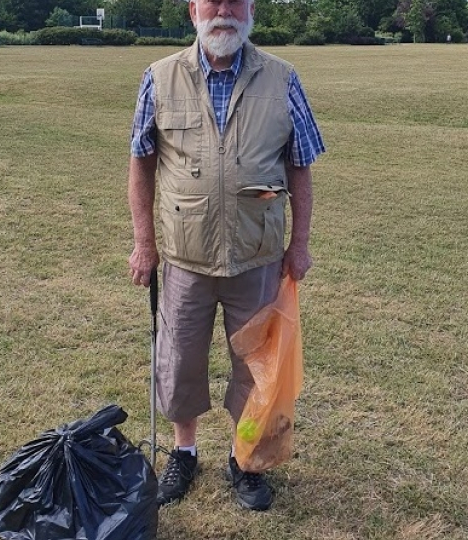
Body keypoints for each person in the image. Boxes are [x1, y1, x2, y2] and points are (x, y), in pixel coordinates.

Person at [127, 0, 325, 512]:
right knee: (179, 362)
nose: (223, 11)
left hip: (256, 255)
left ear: (251, 9)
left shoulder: (282, 79)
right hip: (184, 257)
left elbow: (301, 168)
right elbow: (141, 165)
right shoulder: (159, 77)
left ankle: (245, 460)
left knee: (255, 366)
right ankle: (185, 452)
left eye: (235, 1)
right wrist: (144, 243)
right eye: (212, 1)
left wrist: (299, 245)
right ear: (193, 9)